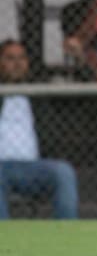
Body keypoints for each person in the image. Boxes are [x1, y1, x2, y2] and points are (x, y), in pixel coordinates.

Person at [0, 39, 79, 219]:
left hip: (34, 167)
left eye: (22, 58)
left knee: (63, 172)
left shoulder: (39, 93)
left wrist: (79, 61)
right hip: (1, 167)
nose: (17, 64)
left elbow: (84, 96)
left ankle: (67, 238)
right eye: (10, 59)